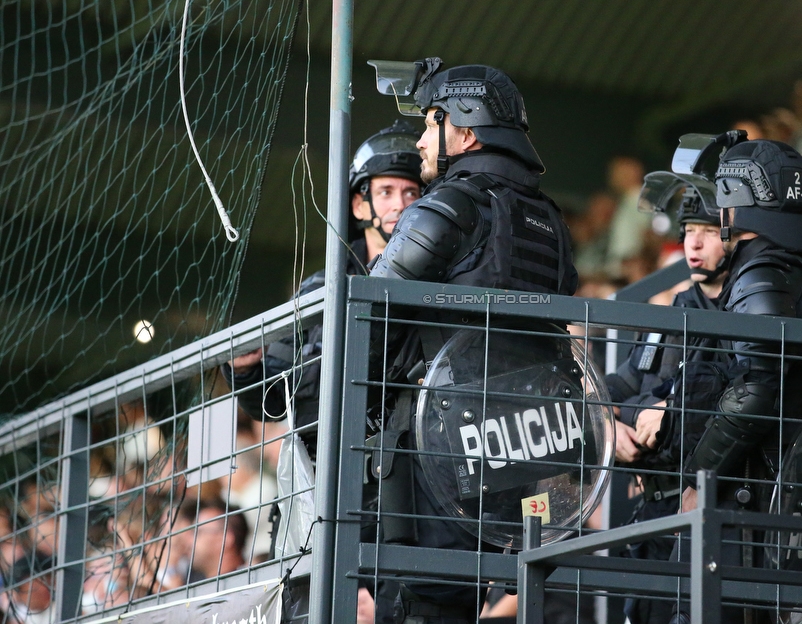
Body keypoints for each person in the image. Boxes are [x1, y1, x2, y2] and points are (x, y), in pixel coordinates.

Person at [367, 59, 577, 624]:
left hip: (440, 456)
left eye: (429, 121)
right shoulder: (550, 220)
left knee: (419, 605)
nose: (418, 140)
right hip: (523, 456)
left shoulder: (446, 207)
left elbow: (368, 317)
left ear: (464, 130)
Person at [662, 138, 802, 624]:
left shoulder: (763, 270)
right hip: (776, 496)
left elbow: (754, 390)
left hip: (751, 502)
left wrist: (700, 478)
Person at [224, 120, 423, 461]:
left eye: (411, 193)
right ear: (360, 206)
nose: (399, 205)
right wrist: (245, 371)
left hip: (415, 473)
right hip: (328, 473)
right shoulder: (319, 291)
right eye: (386, 191)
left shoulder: (445, 286)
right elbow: (271, 401)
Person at [608, 176, 732, 624]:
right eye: (688, 232)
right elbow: (622, 385)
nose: (694, 244)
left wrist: (671, 411)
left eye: (711, 231)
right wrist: (606, 421)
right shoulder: (677, 309)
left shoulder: (749, 314)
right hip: (655, 510)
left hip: (716, 516)